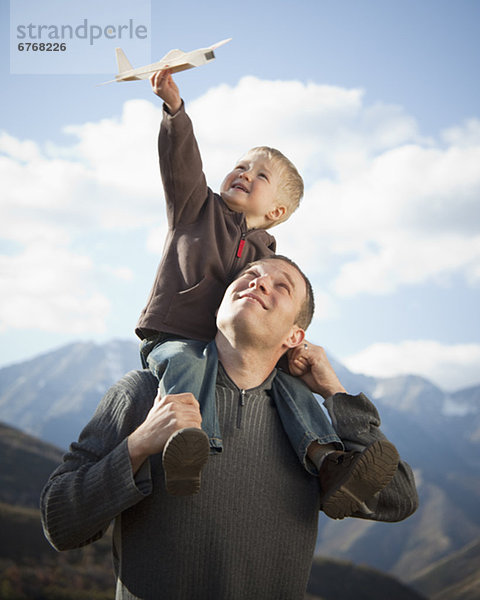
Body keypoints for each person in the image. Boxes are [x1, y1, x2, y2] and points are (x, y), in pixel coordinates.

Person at [41, 256, 419, 600]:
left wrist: (335, 393)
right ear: (222, 302)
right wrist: (137, 445)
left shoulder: (313, 433)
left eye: (281, 285)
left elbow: (399, 497)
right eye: (250, 275)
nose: (258, 283)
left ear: (294, 337)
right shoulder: (143, 395)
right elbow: (59, 523)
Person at [134, 69, 394, 504]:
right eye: (240, 166)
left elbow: (275, 313)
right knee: (185, 361)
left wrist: (292, 352)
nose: (244, 174)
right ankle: (186, 445)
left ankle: (329, 463)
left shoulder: (267, 261)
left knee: (287, 385)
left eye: (259, 176)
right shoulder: (195, 208)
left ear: (275, 211)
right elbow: (181, 163)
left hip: (228, 350)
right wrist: (175, 112)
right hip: (174, 336)